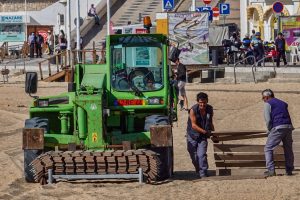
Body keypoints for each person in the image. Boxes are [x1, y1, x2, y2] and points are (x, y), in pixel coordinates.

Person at [262, 89, 294, 177]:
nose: (263, 100)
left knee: (268, 148)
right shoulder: (283, 103)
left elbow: (268, 120)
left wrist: (269, 130)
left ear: (267, 97)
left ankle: (271, 170)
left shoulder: (268, 103)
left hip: (278, 127)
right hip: (288, 126)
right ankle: (289, 170)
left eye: (263, 98)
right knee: (288, 149)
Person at [186, 92, 215, 178]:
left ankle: (203, 173)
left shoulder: (210, 109)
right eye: (201, 102)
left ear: (207, 101)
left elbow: (210, 122)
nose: (202, 104)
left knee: (201, 155)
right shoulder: (193, 110)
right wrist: (205, 132)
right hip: (192, 135)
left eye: (204, 102)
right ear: (198, 102)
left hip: (202, 136)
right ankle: (198, 169)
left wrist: (214, 133)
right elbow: (194, 125)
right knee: (194, 156)